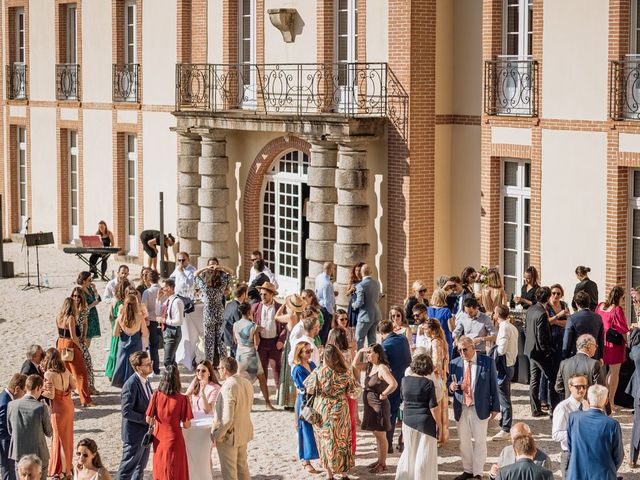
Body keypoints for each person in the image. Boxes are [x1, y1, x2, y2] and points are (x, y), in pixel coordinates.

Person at [448, 336, 500, 480]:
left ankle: (478, 472)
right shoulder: (455, 363)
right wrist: (451, 387)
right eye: (459, 350)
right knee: (464, 441)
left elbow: (494, 386)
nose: (462, 353)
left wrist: (495, 406)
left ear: (472, 347)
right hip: (462, 406)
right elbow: (449, 384)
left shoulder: (487, 362)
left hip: (480, 406)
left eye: (464, 349)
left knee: (480, 441)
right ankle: (468, 470)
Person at [305, 345, 358, 479]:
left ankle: (329, 474)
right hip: (340, 408)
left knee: (324, 440)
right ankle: (344, 473)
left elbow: (309, 389)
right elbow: (353, 392)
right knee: (342, 440)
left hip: (322, 408)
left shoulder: (319, 372)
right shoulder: (345, 372)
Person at [394, 353, 442, 480]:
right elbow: (434, 407)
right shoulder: (428, 383)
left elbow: (402, 401)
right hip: (425, 421)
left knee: (409, 452)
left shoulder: (404, 381)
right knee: (424, 456)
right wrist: (440, 425)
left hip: (408, 420)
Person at [353, 343, 398, 474]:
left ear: (378, 354)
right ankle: (379, 460)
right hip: (370, 405)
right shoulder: (369, 366)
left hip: (379, 405)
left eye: (370, 352)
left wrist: (384, 394)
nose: (368, 355)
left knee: (381, 435)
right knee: (376, 434)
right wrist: (360, 350)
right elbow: (355, 365)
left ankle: (383, 463)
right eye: (367, 353)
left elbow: (393, 384)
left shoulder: (382, 368)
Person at [566, 384, 623, 480]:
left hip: (577, 473)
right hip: (604, 474)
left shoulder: (573, 417)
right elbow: (618, 455)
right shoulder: (612, 424)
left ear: (588, 400)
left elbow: (570, 446)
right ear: (606, 401)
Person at [145, 365, 192, 480]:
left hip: (159, 438)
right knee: (176, 470)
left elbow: (148, 419)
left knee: (161, 468)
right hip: (175, 439)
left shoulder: (156, 396)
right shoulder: (182, 399)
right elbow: (187, 425)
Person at [211, 357, 254, 480]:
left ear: (224, 369)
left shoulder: (229, 386)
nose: (218, 370)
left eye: (219, 368)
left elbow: (227, 418)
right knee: (243, 470)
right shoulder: (246, 382)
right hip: (243, 431)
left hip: (229, 436)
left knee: (230, 473)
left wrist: (217, 435)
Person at [7, 375, 52, 480]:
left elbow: (10, 431)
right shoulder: (41, 407)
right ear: (38, 388)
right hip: (38, 455)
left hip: (18, 453)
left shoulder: (11, 405)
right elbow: (49, 432)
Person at [117, 351, 153, 480]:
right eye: (147, 364)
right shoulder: (131, 384)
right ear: (138, 367)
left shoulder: (146, 381)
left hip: (145, 433)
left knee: (140, 468)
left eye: (150, 362)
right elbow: (126, 411)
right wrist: (146, 419)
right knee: (127, 469)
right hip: (134, 434)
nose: (150, 365)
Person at [40, 349, 74, 479]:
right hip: (68, 405)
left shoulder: (49, 374)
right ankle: (66, 468)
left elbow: (51, 395)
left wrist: (39, 391)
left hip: (59, 408)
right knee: (67, 437)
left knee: (60, 438)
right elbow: (74, 386)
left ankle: (63, 470)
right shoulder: (65, 370)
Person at [524, 287, 559, 416]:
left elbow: (526, 329)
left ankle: (535, 409)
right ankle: (554, 409)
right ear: (548, 298)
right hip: (540, 352)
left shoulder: (531, 309)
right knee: (553, 379)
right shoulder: (542, 313)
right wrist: (547, 352)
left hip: (530, 349)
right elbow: (542, 336)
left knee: (534, 379)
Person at [379, 320, 411, 454]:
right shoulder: (403, 339)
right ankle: (404, 441)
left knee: (390, 414)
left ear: (381, 333)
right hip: (406, 379)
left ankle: (388, 444)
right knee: (406, 413)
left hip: (393, 383)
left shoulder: (385, 345)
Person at [184, 360, 220, 480]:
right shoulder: (196, 384)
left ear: (209, 372)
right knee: (193, 452)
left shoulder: (215, 388)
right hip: (194, 424)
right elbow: (185, 396)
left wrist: (203, 392)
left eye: (203, 370)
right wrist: (195, 382)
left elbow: (207, 410)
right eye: (198, 370)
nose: (200, 372)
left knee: (205, 455)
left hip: (207, 425)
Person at [233, 302, 274, 409]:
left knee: (242, 380)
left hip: (240, 355)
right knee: (262, 378)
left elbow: (235, 340)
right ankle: (268, 403)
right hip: (251, 354)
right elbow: (257, 343)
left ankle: (245, 405)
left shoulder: (235, 325)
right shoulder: (253, 326)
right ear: (248, 312)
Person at [596, 286, 630, 408]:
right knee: (614, 373)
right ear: (619, 297)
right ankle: (610, 402)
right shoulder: (617, 310)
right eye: (623, 297)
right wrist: (628, 343)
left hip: (602, 343)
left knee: (607, 373)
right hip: (615, 345)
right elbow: (623, 329)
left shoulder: (600, 306)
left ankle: (604, 400)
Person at [55, 297, 94, 407]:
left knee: (65, 372)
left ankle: (67, 398)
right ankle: (85, 400)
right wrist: (80, 348)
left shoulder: (59, 317)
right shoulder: (70, 318)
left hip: (60, 344)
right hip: (70, 345)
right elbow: (73, 336)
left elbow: (59, 333)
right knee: (81, 373)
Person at [552, 373, 590, 478]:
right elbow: (556, 435)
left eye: (584, 386)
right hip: (570, 454)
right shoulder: (563, 408)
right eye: (578, 387)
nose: (581, 390)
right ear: (570, 387)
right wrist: (577, 433)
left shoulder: (587, 405)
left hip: (586, 453)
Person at [194, 263, 232, 366]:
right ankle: (224, 364)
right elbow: (230, 273)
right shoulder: (221, 285)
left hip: (208, 315)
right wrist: (221, 267)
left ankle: (209, 364)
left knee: (209, 342)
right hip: (219, 313)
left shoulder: (205, 287)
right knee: (221, 341)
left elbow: (195, 274)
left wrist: (206, 267)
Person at [291, 342, 320, 474]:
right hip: (304, 402)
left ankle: (316, 456)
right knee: (304, 430)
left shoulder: (312, 365)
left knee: (317, 430)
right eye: (306, 351)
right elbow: (303, 388)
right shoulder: (297, 369)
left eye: (310, 350)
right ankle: (305, 460)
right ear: (300, 353)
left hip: (314, 399)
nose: (309, 353)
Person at [251, 282, 286, 388]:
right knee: (262, 368)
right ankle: (264, 388)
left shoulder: (279, 308)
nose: (262, 296)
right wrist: (255, 331)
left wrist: (281, 340)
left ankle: (278, 389)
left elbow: (285, 327)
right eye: (261, 294)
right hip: (261, 342)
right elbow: (250, 323)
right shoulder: (255, 307)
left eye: (265, 294)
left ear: (272, 294)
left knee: (276, 367)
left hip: (275, 343)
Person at [111, 294, 149, 388]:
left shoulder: (120, 317)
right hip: (136, 343)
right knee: (135, 365)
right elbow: (145, 333)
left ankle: (122, 384)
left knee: (122, 365)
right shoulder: (139, 317)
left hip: (123, 343)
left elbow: (115, 334)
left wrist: (123, 333)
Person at [493, 304, 519, 440]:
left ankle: (506, 428)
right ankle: (503, 422)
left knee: (504, 398)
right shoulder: (512, 327)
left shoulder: (504, 328)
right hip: (511, 364)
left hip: (504, 366)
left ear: (497, 314)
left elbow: (501, 350)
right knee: (504, 395)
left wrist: (493, 352)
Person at [541, 283, 569, 409]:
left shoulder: (564, 305)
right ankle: (544, 399)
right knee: (547, 371)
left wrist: (555, 321)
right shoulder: (547, 306)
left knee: (559, 369)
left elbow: (568, 322)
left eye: (558, 293)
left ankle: (558, 396)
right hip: (549, 340)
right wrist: (558, 317)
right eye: (553, 293)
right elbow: (546, 322)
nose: (556, 295)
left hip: (562, 340)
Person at [422, 318, 449, 443]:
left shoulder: (436, 342)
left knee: (437, 408)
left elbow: (436, 363)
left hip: (436, 378)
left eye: (426, 329)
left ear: (432, 330)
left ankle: (440, 436)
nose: (424, 331)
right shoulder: (438, 341)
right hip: (440, 377)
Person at [555, 334, 605, 398]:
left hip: (569, 406)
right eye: (595, 346)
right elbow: (600, 390)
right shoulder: (594, 364)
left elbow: (558, 387)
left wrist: (573, 393)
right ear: (589, 346)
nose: (596, 348)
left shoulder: (564, 363)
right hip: (588, 405)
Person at [563, 291, 604, 359]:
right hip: (593, 356)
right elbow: (601, 339)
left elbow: (567, 340)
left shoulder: (572, 318)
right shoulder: (598, 317)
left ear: (576, 304)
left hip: (576, 357)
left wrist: (565, 356)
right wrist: (601, 357)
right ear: (589, 302)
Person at [0, 374, 26, 480]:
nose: (24, 395)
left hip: (6, 442)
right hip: (5, 444)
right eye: (24, 392)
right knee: (8, 472)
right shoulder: (5, 403)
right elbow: (1, 430)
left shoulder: (5, 396)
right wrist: (14, 439)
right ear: (17, 389)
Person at [71, 286, 96, 393]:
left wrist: (85, 336)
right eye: (74, 296)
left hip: (80, 340)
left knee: (88, 363)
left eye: (79, 296)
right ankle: (74, 387)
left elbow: (85, 323)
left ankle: (90, 386)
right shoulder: (69, 309)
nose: (76, 298)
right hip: (72, 340)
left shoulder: (84, 309)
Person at [352, 263, 382, 350]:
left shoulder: (361, 285)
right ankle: (372, 360)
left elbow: (360, 302)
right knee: (372, 340)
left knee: (359, 339)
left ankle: (360, 360)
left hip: (365, 315)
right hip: (376, 314)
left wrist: (354, 305)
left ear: (361, 273)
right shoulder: (377, 283)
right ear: (371, 272)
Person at [157, 279, 185, 368]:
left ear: (169, 288)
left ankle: (169, 379)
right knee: (171, 360)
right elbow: (158, 312)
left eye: (163, 288)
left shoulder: (177, 302)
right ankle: (174, 379)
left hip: (173, 332)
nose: (161, 290)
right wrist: (158, 299)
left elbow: (179, 321)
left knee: (167, 361)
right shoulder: (167, 301)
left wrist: (165, 321)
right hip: (166, 331)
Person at [141, 269, 162, 375]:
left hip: (151, 321)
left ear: (149, 280)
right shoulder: (163, 290)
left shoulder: (147, 292)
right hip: (163, 320)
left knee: (153, 346)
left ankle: (155, 368)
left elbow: (143, 307)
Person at [76, 272, 101, 348]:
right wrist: (92, 305)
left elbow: (98, 299)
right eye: (89, 280)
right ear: (84, 281)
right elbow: (79, 308)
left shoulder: (89, 288)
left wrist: (95, 290)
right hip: (86, 317)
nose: (91, 281)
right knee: (85, 341)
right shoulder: (80, 292)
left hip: (92, 316)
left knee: (89, 340)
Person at [627, 328, 640, 467]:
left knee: (637, 426)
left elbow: (631, 350)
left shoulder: (636, 352)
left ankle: (632, 458)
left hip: (639, 393)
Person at [428, 288, 454, 357]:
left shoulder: (427, 310)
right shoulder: (446, 311)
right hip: (445, 340)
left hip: (432, 339)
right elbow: (451, 328)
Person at [223, 284, 248, 358]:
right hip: (234, 339)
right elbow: (240, 325)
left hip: (227, 335)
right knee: (237, 359)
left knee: (233, 357)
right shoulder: (238, 308)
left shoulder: (229, 304)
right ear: (243, 294)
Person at [315, 261, 336, 345]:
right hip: (325, 310)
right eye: (333, 269)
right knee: (324, 334)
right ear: (330, 270)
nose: (334, 271)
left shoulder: (318, 277)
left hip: (319, 306)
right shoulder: (327, 284)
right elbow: (327, 301)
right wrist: (332, 313)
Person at [346, 262, 364, 329]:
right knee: (352, 324)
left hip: (361, 304)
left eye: (359, 271)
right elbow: (347, 293)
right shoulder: (352, 280)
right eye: (356, 270)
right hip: (353, 303)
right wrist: (351, 289)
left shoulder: (364, 281)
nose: (357, 272)